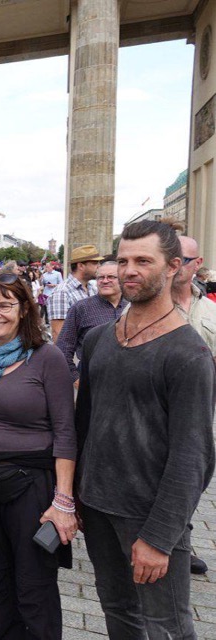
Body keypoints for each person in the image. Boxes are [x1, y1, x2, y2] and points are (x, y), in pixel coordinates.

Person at [75, 220, 215, 639]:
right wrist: (76, 496)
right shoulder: (98, 339)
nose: (129, 270)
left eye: (143, 261)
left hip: (149, 514)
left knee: (167, 627)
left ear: (173, 267)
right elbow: (84, 425)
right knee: (118, 611)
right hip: (97, 507)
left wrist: (159, 537)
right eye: (123, 261)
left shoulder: (189, 353)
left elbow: (194, 455)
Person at [0, 272, 77, 640]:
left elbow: (66, 432)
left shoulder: (48, 358)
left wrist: (64, 501)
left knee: (33, 587)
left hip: (31, 490)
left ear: (24, 309)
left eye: (5, 305)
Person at [171, 235, 216, 576]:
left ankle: (180, 539)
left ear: (197, 264)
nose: (175, 266)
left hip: (201, 407)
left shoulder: (210, 310)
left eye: (183, 260)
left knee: (194, 472)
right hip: (157, 405)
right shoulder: (145, 307)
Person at [56, 261, 127, 387]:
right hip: (92, 382)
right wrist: (75, 378)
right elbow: (63, 347)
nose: (105, 281)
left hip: (129, 382)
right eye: (100, 277)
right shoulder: (81, 308)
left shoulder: (133, 307)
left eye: (111, 277)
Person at [47, 245, 102, 343]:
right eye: (94, 263)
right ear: (80, 266)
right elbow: (58, 334)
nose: (99, 266)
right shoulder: (62, 292)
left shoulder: (93, 288)